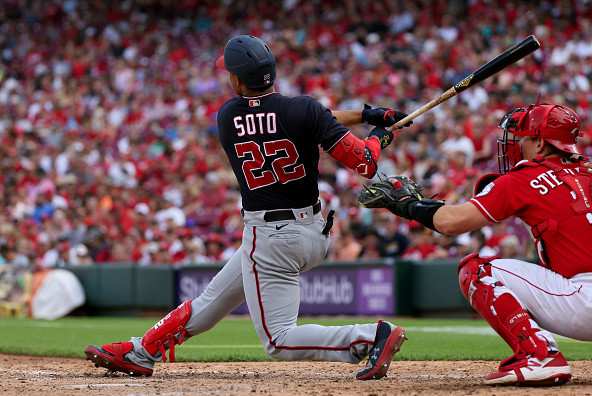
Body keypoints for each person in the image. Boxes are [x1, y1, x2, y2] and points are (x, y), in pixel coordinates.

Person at [85, 35, 412, 380]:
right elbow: (359, 157)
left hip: (271, 236)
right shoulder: (305, 109)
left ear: (240, 80)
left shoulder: (228, 116)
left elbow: (302, 119)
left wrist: (363, 115)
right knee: (210, 303)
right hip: (313, 232)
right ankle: (142, 351)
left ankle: (368, 337)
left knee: (278, 340)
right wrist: (379, 132)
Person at [358, 99, 592, 386]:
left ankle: (538, 355)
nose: (516, 145)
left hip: (585, 302)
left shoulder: (526, 177)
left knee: (477, 269)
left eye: (522, 139)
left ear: (540, 144)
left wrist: (407, 204)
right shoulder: (588, 172)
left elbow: (451, 222)